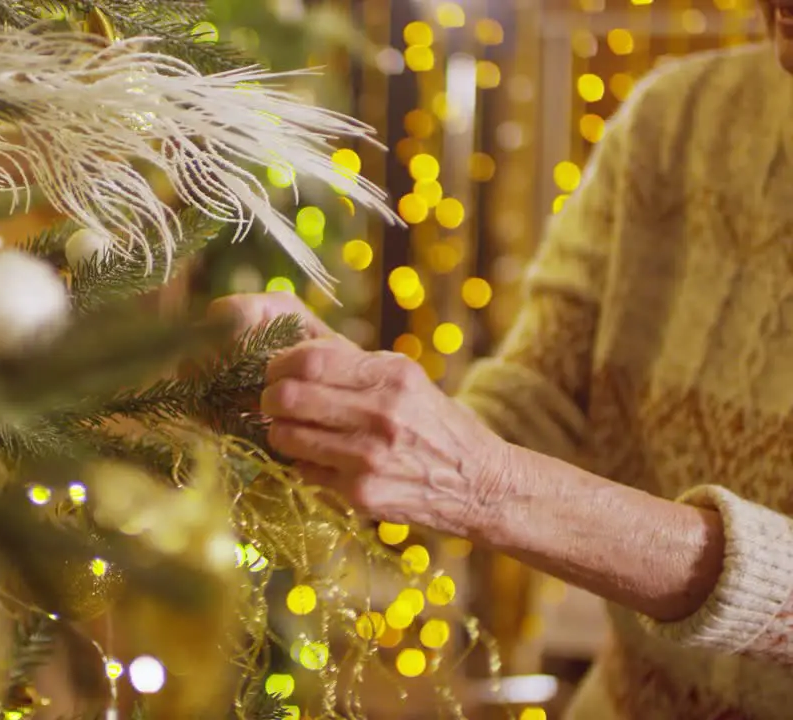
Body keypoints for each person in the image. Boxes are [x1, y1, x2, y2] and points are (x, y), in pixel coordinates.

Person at [211, 6, 793, 718]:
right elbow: (533, 400)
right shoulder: (674, 121)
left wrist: (490, 486)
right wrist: (347, 407)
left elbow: (491, 471)